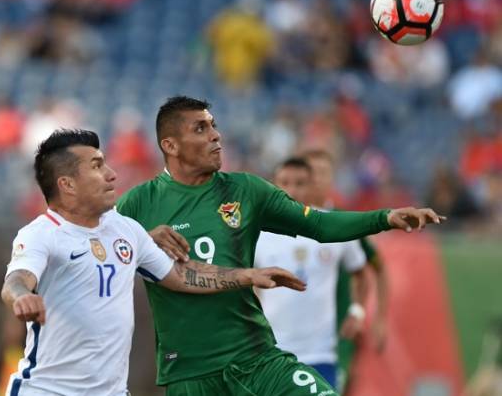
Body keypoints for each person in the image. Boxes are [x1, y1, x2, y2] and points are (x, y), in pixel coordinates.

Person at [116, 96, 443, 396]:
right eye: (201, 128)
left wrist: (385, 218)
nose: (216, 135)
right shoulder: (138, 204)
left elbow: (319, 223)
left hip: (254, 358)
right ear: (170, 145)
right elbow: (98, 255)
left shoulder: (245, 190)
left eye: (214, 126)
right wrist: (139, 240)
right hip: (189, 373)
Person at [0, 129, 304, 396]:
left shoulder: (125, 230)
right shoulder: (41, 234)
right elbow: (17, 279)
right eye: (96, 166)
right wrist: (24, 296)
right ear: (67, 184)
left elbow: (180, 275)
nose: (111, 173)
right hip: (47, 391)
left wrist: (247, 275)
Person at [254, 157, 368, 390]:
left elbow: (360, 271)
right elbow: (246, 281)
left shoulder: (332, 225)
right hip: (272, 352)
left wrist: (357, 311)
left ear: (312, 185)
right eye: (284, 182)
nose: (292, 189)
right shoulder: (257, 232)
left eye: (300, 183)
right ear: (274, 185)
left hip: (321, 353)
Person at [302, 149, 389, 393]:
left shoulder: (343, 223)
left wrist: (370, 315)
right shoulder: (290, 219)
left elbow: (378, 269)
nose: (317, 179)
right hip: (294, 336)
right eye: (312, 173)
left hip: (338, 333)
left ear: (332, 177)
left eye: (323, 172)